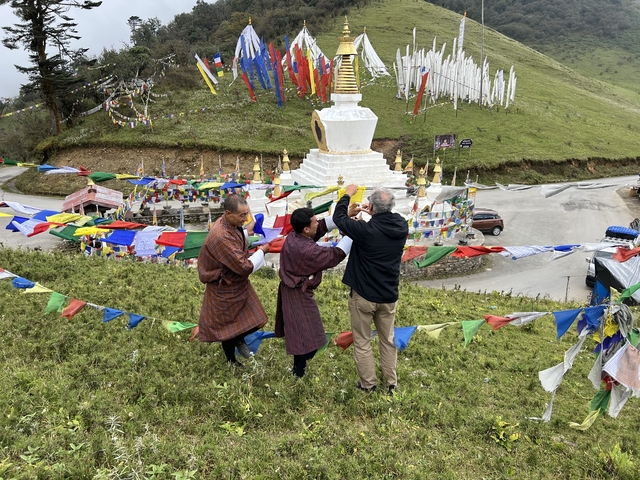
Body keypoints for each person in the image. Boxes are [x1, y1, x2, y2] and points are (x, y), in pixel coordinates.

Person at [333, 184, 408, 395]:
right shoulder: (401, 226)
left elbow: (339, 218)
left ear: (372, 207)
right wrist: (372, 211)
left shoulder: (365, 230)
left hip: (364, 295)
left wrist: (347, 195)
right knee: (388, 340)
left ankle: (368, 384)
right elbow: (386, 219)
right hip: (388, 294)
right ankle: (391, 383)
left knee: (362, 341)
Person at [275, 208, 352, 378]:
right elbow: (335, 255)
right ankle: (298, 373)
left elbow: (320, 229)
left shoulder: (295, 236)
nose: (318, 223)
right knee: (304, 337)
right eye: (315, 222)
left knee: (303, 334)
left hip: (294, 290)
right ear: (306, 229)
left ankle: (298, 370)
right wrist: (353, 231)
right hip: (297, 293)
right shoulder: (305, 249)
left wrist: (343, 216)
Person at [197, 194, 270, 367]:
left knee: (255, 317)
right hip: (224, 285)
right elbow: (243, 267)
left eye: (247, 214)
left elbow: (237, 236)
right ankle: (231, 360)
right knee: (227, 327)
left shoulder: (230, 223)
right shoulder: (220, 235)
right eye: (242, 215)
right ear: (228, 213)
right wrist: (263, 251)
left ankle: (239, 338)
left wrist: (248, 231)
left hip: (237, 283)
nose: (245, 219)